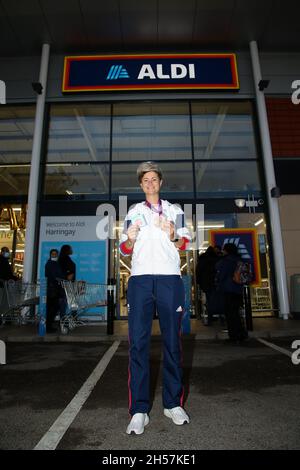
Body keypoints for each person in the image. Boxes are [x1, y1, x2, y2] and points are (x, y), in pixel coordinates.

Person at [120, 161, 191, 435]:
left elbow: (186, 243)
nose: (150, 183)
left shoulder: (176, 211)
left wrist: (173, 234)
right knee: (138, 344)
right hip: (139, 280)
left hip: (170, 279)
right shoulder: (134, 211)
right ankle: (139, 410)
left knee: (172, 342)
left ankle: (172, 403)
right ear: (141, 185)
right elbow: (126, 250)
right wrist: (128, 238)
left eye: (154, 179)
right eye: (145, 180)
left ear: (160, 183)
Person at [215, 243, 248, 344]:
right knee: (236, 313)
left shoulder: (225, 261)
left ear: (226, 250)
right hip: (238, 289)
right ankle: (241, 335)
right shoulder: (239, 259)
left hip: (228, 290)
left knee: (230, 314)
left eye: (224, 249)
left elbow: (220, 274)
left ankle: (234, 336)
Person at [196, 246, 219, 325]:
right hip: (215, 283)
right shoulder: (216, 259)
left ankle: (210, 319)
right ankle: (218, 317)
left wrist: (199, 283)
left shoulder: (202, 260)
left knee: (209, 301)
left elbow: (198, 272)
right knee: (216, 300)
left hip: (205, 283)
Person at [45, 249, 64, 333]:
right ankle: (48, 326)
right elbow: (53, 276)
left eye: (55, 254)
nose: (54, 255)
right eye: (52, 254)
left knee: (53, 307)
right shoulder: (50, 264)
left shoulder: (56, 263)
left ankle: (48, 325)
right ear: (50, 255)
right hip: (52, 289)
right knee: (53, 307)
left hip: (54, 288)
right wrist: (60, 279)